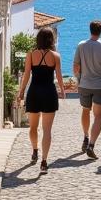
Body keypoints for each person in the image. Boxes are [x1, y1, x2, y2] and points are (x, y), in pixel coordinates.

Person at [17, 27, 65, 174]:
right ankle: (44, 161)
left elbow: (26, 75)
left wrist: (21, 92)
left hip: (34, 93)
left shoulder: (31, 54)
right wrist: (62, 91)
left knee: (32, 127)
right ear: (51, 39)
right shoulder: (55, 56)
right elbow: (59, 76)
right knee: (47, 130)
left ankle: (35, 150)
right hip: (49, 93)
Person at [73, 20, 101, 160]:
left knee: (85, 110)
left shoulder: (81, 45)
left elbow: (76, 67)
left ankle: (85, 136)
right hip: (100, 86)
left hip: (84, 84)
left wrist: (79, 79)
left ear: (90, 29)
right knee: (98, 116)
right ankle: (91, 145)